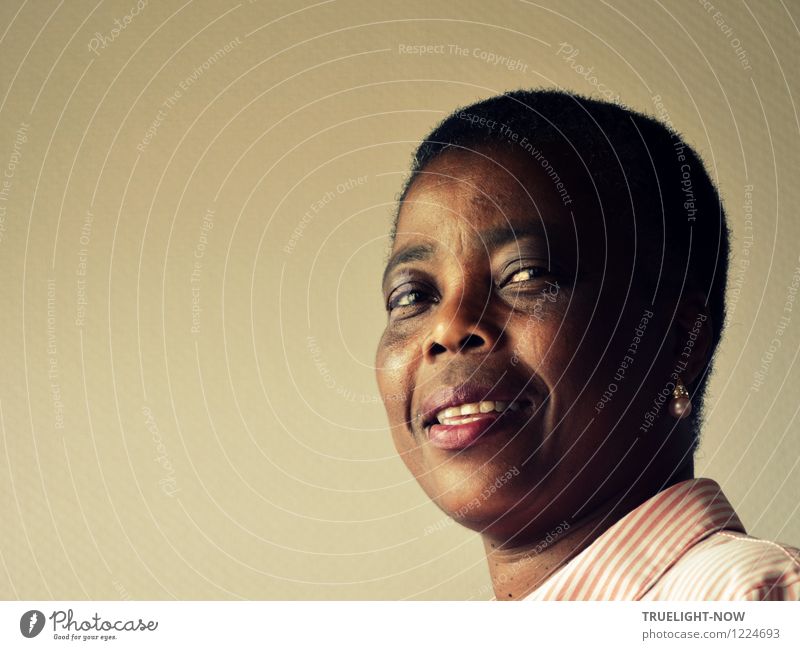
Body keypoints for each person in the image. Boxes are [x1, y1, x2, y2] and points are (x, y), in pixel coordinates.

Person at [374, 89, 800, 600]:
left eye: (527, 274)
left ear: (679, 346)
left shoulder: (747, 599)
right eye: (413, 295)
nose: (448, 328)